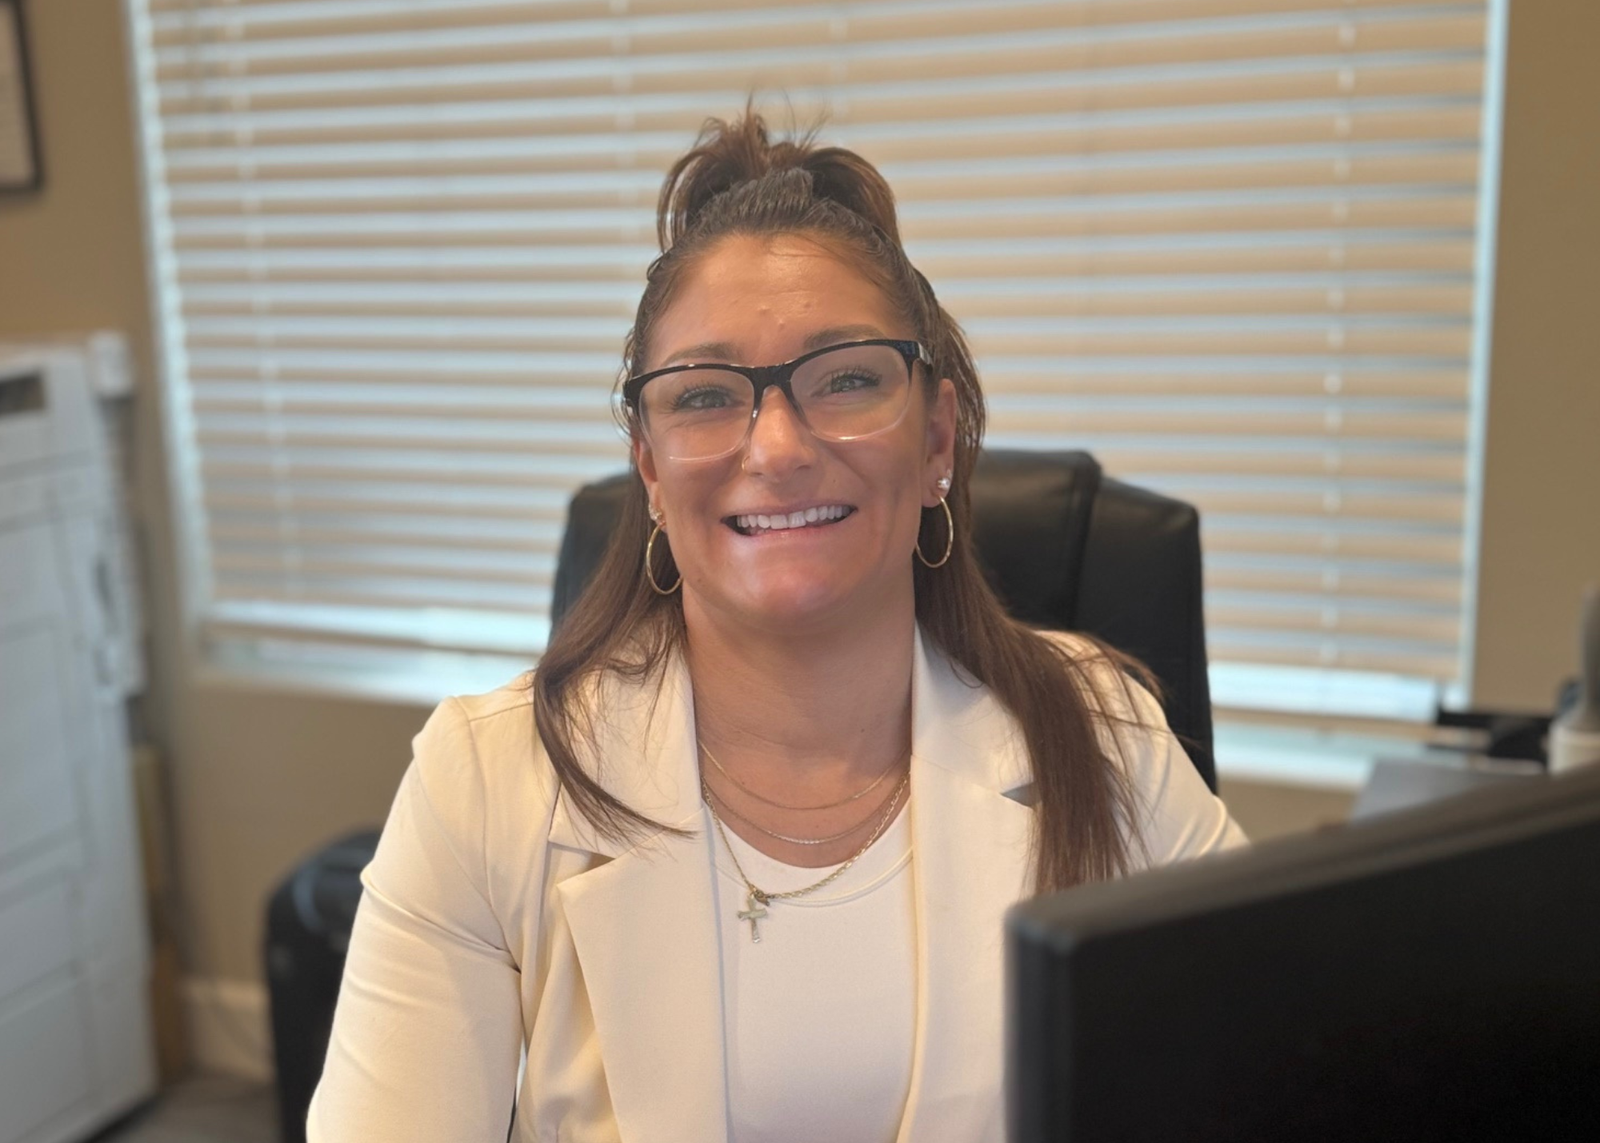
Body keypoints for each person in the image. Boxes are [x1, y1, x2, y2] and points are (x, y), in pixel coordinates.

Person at [308, 111, 1246, 1143]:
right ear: (651, 469)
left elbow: (1265, 1075)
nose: (779, 445)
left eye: (845, 378)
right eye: (706, 396)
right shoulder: (483, 784)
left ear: (937, 437)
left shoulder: (1098, 732)